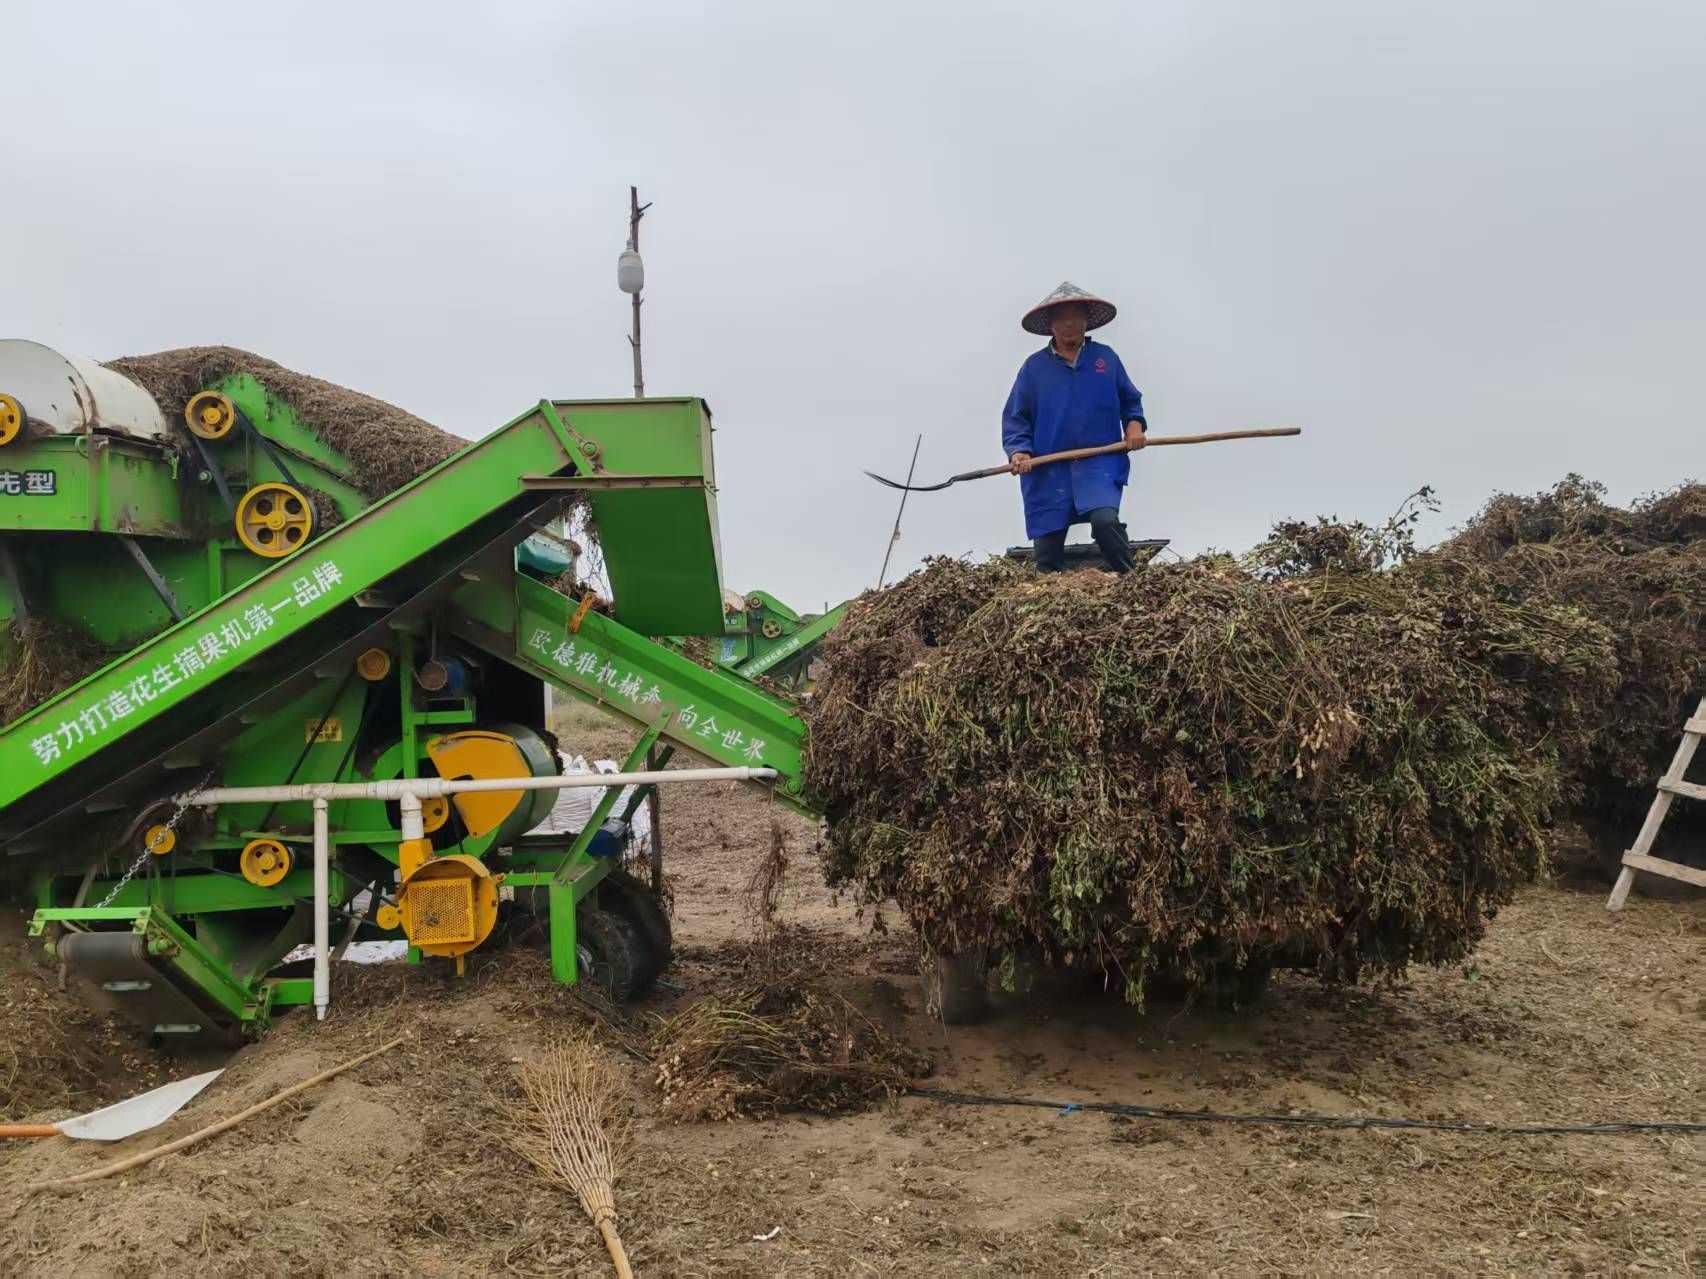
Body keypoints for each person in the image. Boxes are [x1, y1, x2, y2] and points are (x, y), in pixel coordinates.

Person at [1001, 282, 1147, 573]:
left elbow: (1130, 402)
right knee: (1047, 551)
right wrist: (1020, 452)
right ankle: (1048, 591)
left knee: (1105, 521)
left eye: (1075, 317)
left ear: (1086, 321)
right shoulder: (1033, 369)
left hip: (1098, 463)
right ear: (1051, 326)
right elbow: (1017, 418)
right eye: (1062, 318)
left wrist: (1134, 427)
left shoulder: (1105, 359)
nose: (1069, 324)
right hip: (1048, 470)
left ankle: (1131, 579)